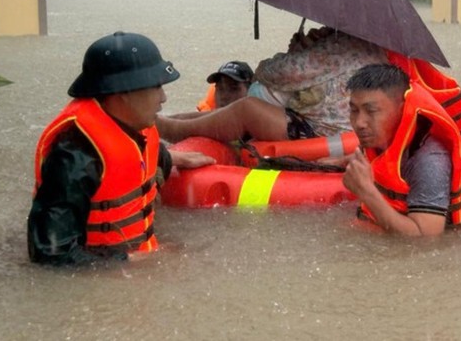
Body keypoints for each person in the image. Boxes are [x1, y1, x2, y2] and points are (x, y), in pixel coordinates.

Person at [27, 32, 215, 266]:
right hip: (102, 281)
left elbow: (136, 160)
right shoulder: (75, 155)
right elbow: (50, 254)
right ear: (123, 92)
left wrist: (172, 158)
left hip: (141, 257)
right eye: (156, 86)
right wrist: (131, 260)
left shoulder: (137, 125)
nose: (163, 97)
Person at [156, 26, 388, 143]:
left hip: (321, 132)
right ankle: (167, 120)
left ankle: (170, 129)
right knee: (238, 108)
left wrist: (299, 50)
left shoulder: (335, 49)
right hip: (342, 128)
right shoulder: (374, 47)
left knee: (246, 109)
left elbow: (270, 73)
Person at [341, 64, 461, 236]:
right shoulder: (377, 136)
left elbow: (425, 239)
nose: (360, 122)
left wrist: (366, 192)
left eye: (371, 111)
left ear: (403, 109)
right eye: (354, 110)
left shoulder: (429, 160)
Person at [170, 60, 254, 118]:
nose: (224, 96)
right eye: (220, 89)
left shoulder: (264, 127)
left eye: (233, 88)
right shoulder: (200, 125)